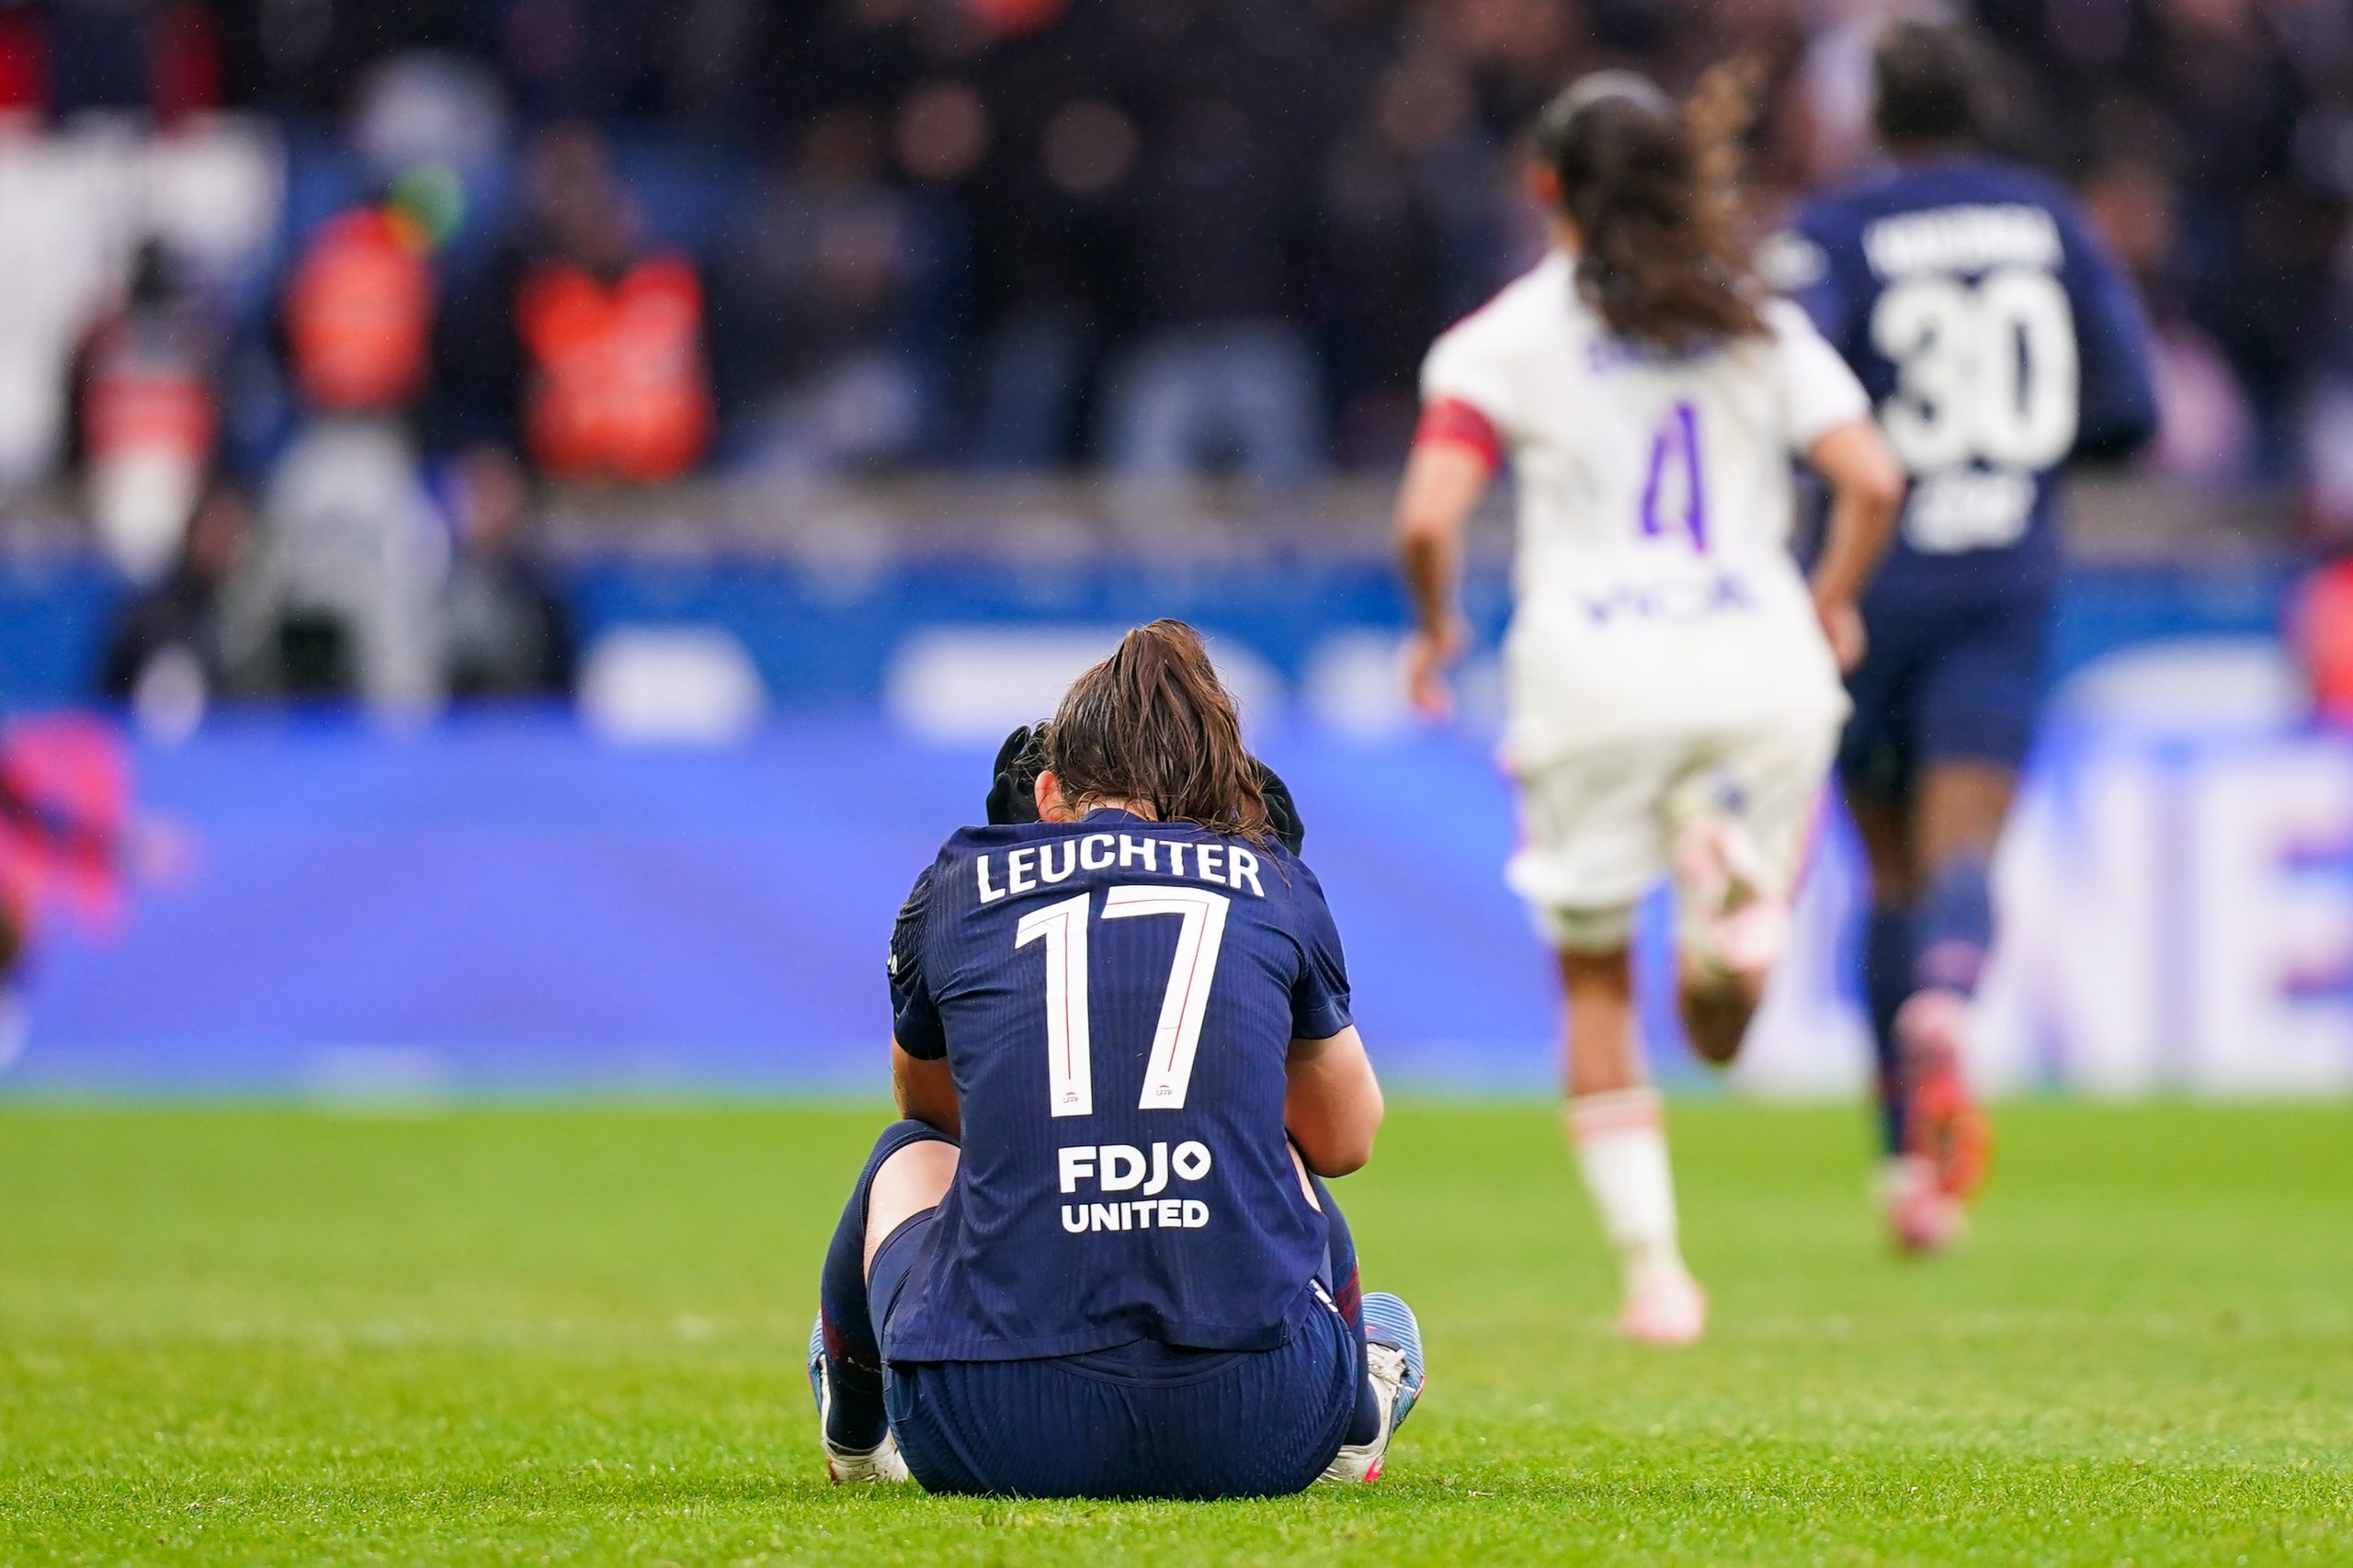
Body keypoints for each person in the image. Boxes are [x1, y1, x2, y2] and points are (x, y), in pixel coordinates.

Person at [1392, 69, 1904, 1344]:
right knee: (1721, 1030)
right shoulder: (1754, 321)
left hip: (1596, 678)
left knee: (1598, 985)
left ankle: (1657, 1277)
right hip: (1760, 666)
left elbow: (1428, 516)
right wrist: (1830, 598)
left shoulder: (1504, 340)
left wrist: (1435, 626)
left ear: (1544, 186)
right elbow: (1872, 478)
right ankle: (1730, 902)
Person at [807, 619, 1426, 1497]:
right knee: (1281, 1145)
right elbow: (1347, 1140)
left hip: (990, 1425)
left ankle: (857, 1426)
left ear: (1047, 792)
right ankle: (1353, 1421)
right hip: (1261, 1423)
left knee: (902, 1157)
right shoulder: (1272, 880)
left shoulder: (960, 880)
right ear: (1222, 797)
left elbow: (937, 1116)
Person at [1775, 21, 2157, 1251]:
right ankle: (1948, 997)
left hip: (1866, 575)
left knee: (1884, 870)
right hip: (2002, 574)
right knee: (1964, 848)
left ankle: (1907, 1164)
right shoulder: (2049, 219)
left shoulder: (1836, 227)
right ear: (1982, 105)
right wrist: (2020, 459)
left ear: (1874, 114)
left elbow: (1785, 389)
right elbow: (2130, 406)